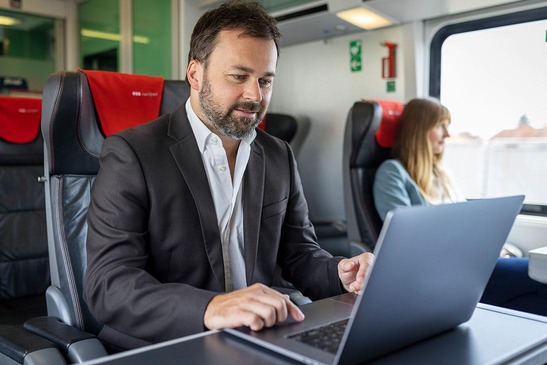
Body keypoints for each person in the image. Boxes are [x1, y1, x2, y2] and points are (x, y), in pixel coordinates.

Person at [84, 0, 374, 350]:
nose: (255, 95)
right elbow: (109, 285)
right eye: (238, 76)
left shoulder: (277, 154)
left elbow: (300, 255)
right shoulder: (133, 153)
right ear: (195, 74)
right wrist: (210, 307)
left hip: (255, 338)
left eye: (265, 80)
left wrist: (341, 274)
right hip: (166, 344)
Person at [373, 97, 547, 316]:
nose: (447, 134)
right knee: (543, 275)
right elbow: (408, 240)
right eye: (440, 125)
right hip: (442, 274)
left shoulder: (443, 176)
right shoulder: (392, 173)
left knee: (540, 302)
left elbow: (468, 223)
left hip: (471, 264)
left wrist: (488, 245)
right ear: (419, 129)